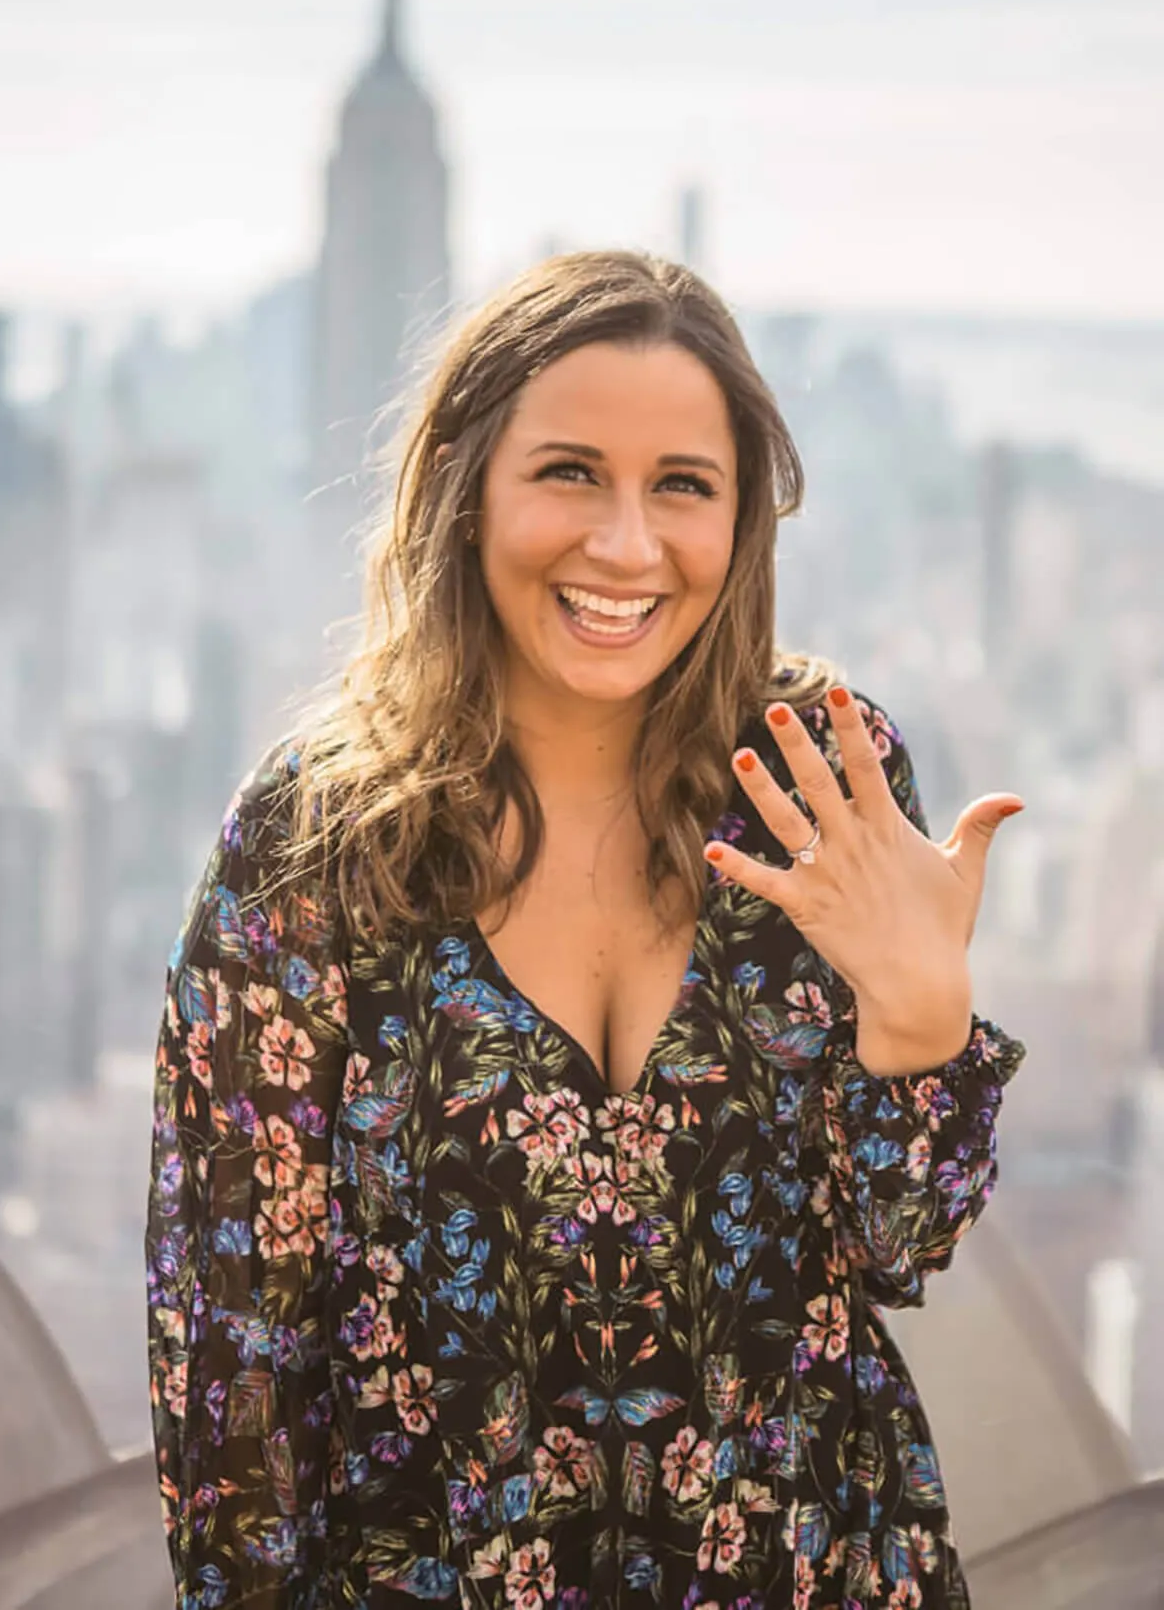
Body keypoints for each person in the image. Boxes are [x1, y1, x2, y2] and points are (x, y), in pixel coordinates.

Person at [147, 250, 1026, 1610]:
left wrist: (922, 1023)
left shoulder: (816, 779)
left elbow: (902, 1247)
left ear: (741, 521)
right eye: (570, 472)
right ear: (467, 482)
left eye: (683, 485)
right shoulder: (311, 846)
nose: (626, 545)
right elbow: (230, 1371)